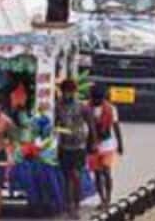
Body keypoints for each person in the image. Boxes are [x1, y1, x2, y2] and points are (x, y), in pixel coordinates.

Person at [54, 79, 90, 219]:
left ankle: (76, 204)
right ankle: (70, 207)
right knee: (67, 177)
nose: (67, 94)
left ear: (74, 92)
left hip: (79, 146)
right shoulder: (58, 106)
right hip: (64, 146)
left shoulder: (82, 106)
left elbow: (90, 123)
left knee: (76, 175)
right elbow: (55, 124)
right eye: (65, 92)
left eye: (70, 92)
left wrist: (92, 142)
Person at [86, 85, 124, 210]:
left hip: (107, 144)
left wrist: (120, 144)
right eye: (95, 99)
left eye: (99, 99)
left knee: (106, 172)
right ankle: (102, 199)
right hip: (92, 144)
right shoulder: (86, 108)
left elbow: (116, 127)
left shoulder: (111, 109)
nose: (97, 101)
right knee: (97, 174)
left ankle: (108, 198)